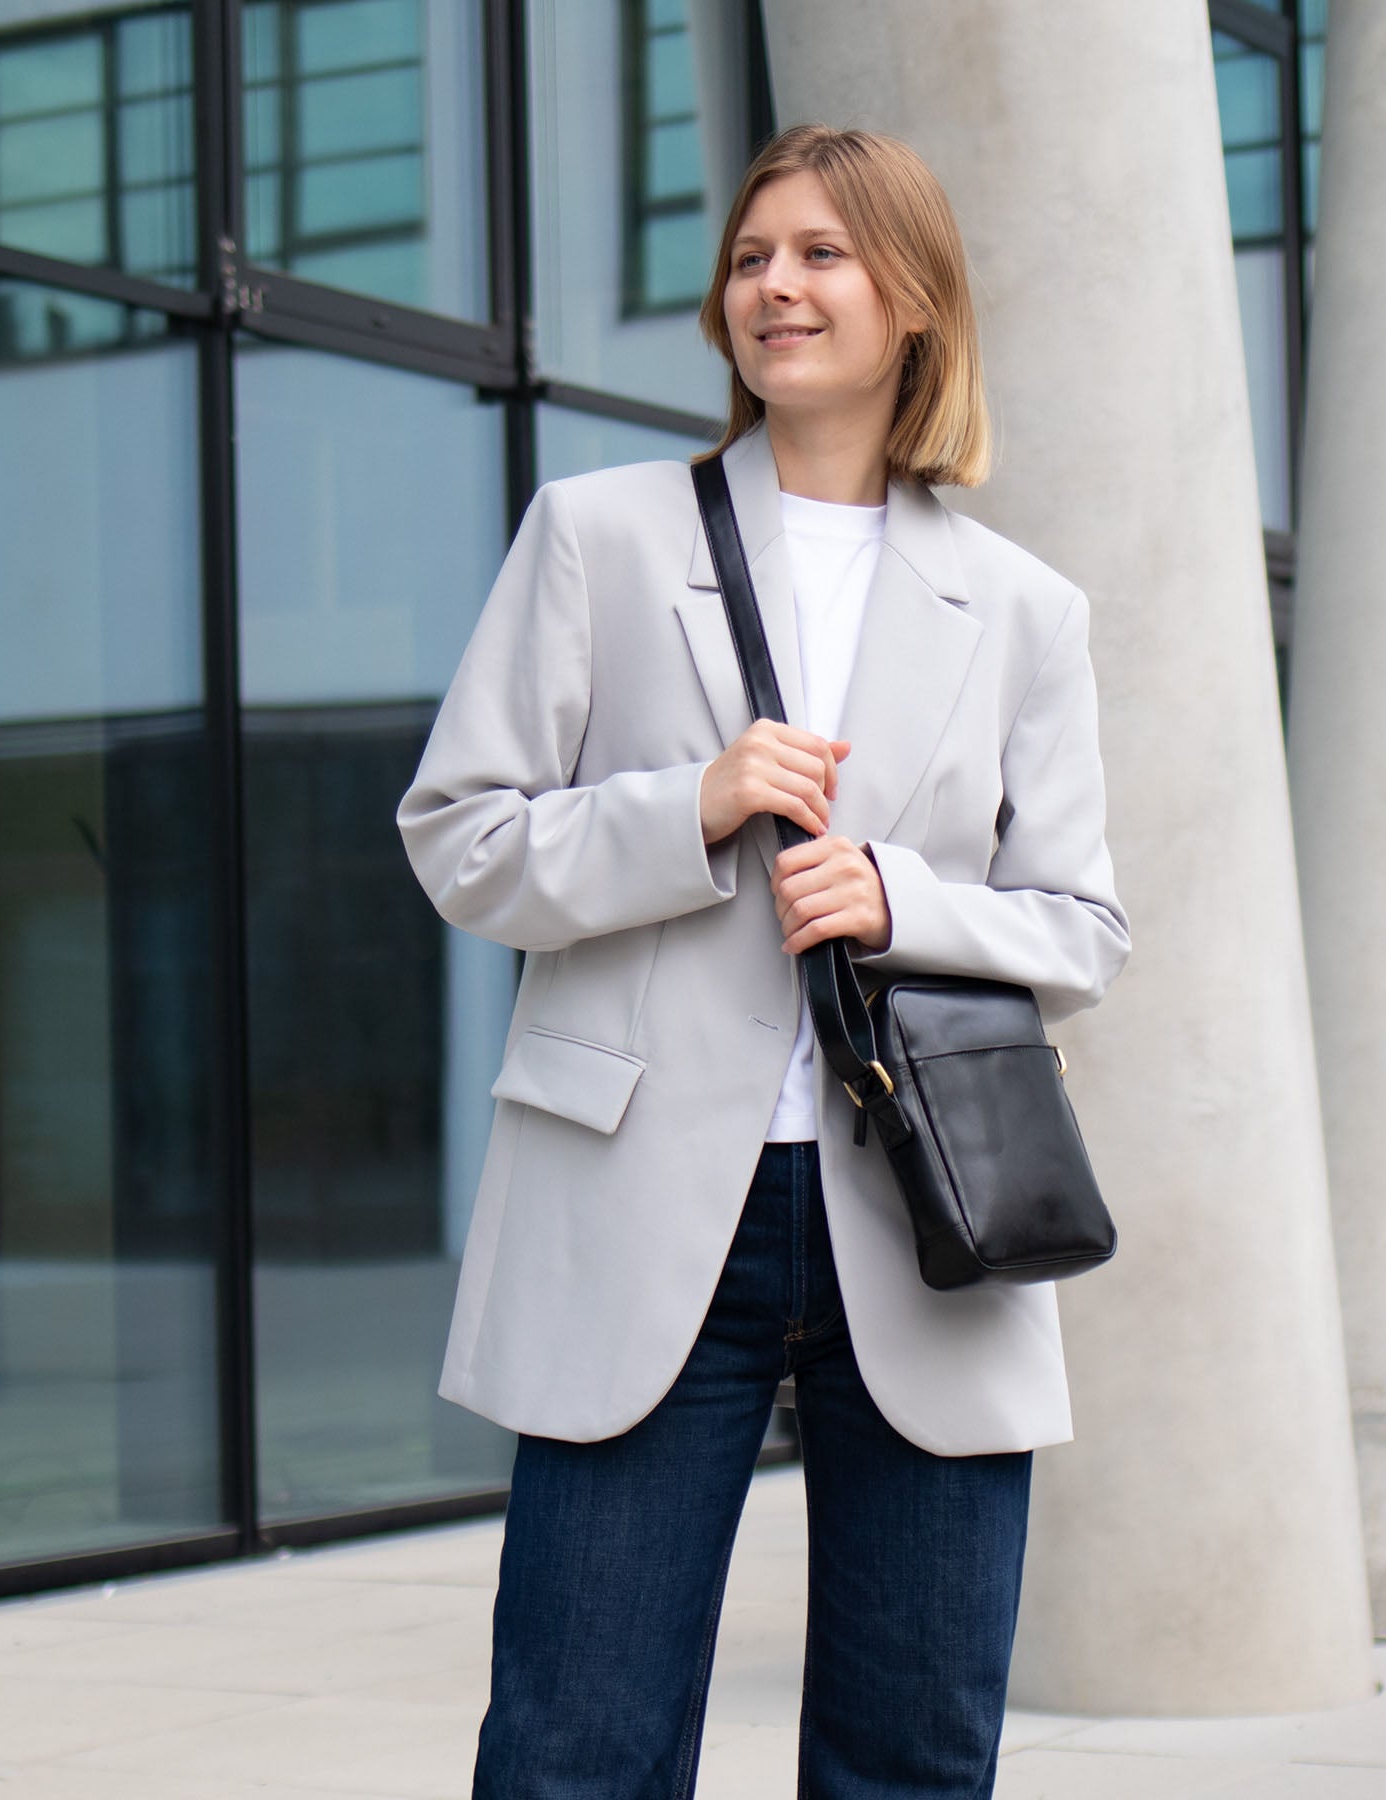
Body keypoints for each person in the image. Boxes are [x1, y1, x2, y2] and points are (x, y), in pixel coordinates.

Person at [398, 122, 1129, 1800]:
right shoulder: (599, 535)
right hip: (644, 1200)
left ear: (917, 299)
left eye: (821, 254)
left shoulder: (1024, 609)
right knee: (575, 1748)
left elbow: (1080, 925)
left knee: (916, 1754)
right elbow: (459, 838)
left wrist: (898, 895)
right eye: (751, 257)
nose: (776, 287)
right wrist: (691, 805)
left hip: (923, 1214)